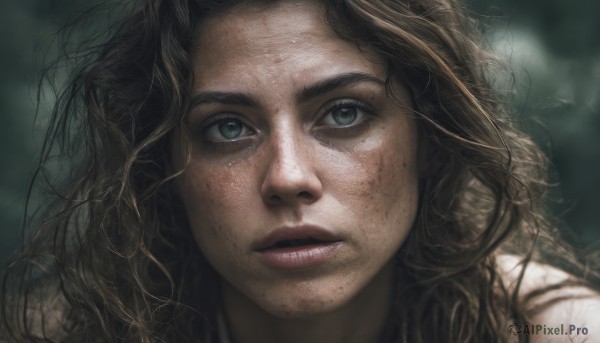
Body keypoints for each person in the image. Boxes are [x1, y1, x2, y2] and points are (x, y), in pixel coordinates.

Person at [1, 0, 599, 342]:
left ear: (432, 139)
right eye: (228, 127)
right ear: (164, 168)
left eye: (344, 113)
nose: (287, 178)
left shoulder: (554, 332)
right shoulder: (65, 335)